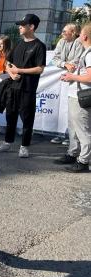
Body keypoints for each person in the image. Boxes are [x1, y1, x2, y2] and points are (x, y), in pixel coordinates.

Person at [0, 14, 46, 158]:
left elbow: (40, 69)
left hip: (28, 89)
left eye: (23, 24)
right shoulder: (18, 44)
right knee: (10, 117)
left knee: (27, 119)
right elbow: (7, 63)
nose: (20, 27)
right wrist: (11, 72)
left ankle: (24, 146)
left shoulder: (39, 46)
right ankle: (7, 143)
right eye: (20, 24)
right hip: (13, 87)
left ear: (31, 27)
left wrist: (19, 71)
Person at [57, 22, 91, 173]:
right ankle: (74, 153)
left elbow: (89, 77)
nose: (77, 38)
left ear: (84, 36)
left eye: (79, 35)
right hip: (75, 94)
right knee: (74, 128)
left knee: (83, 130)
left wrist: (72, 76)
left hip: (81, 96)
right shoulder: (86, 52)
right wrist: (71, 74)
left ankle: (84, 160)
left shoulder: (89, 53)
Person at [50, 23, 84, 146]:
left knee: (73, 111)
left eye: (65, 31)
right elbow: (54, 59)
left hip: (74, 81)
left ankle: (71, 137)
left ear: (73, 32)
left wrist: (70, 65)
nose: (62, 33)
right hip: (62, 80)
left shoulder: (79, 42)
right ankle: (61, 133)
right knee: (61, 108)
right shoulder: (61, 42)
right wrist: (65, 64)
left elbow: (78, 60)